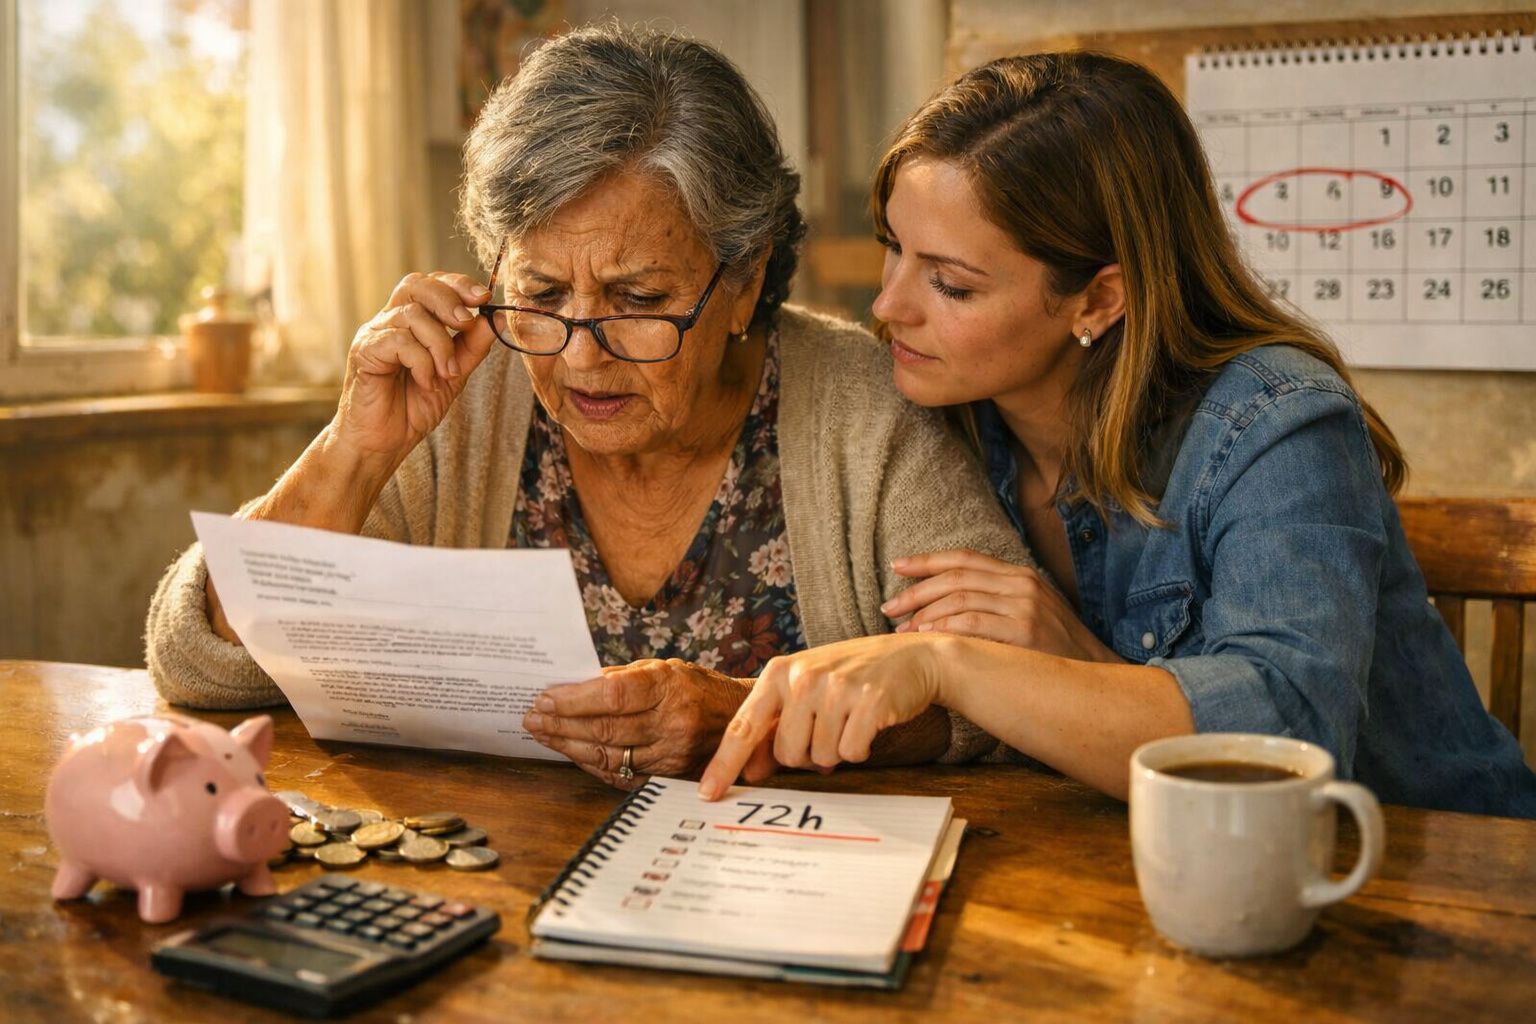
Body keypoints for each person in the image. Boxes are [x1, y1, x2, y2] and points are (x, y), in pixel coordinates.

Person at [145, 25, 1029, 789]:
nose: (578, 353)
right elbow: (203, 663)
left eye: (639, 299)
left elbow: (1001, 694)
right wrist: (355, 449)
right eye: (539, 291)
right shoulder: (465, 386)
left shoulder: (863, 407)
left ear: (744, 277)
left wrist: (749, 722)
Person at [701, 52, 1536, 818]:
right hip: (1142, 867)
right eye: (894, 250)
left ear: (1100, 299)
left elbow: (1288, 737)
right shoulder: (944, 409)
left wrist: (958, 665)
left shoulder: (1278, 425)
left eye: (951, 284)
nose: (889, 307)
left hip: (1427, 874)